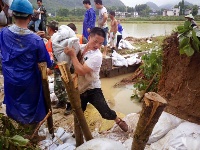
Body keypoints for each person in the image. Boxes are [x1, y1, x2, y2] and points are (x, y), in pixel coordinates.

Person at [64, 27, 128, 132]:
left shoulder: (97, 56)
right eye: (95, 41)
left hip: (92, 88)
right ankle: (78, 132)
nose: (97, 45)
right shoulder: (81, 47)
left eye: (100, 43)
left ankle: (118, 120)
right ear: (89, 37)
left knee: (105, 113)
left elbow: (81, 71)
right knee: (79, 112)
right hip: (80, 88)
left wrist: (72, 56)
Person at [0, 0, 52, 125]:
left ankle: (17, 126)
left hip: (10, 78)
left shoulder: (3, 33)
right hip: (29, 82)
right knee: (30, 107)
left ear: (12, 15)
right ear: (30, 17)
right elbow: (46, 63)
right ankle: (31, 130)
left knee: (14, 104)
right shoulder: (36, 40)